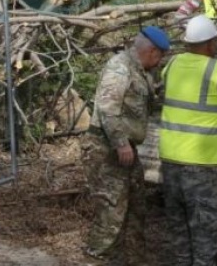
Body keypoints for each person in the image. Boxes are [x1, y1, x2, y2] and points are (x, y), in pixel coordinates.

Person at [158, 15, 217, 266]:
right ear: (209, 44)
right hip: (201, 162)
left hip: (170, 159)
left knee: (179, 224)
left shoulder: (172, 63)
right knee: (205, 229)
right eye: (215, 42)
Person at [84, 26, 171, 263]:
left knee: (135, 209)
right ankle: (98, 257)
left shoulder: (140, 70)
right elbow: (107, 109)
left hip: (126, 149)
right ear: (152, 51)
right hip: (107, 148)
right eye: (160, 55)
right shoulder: (120, 67)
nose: (160, 61)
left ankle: (131, 260)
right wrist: (121, 143)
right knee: (111, 213)